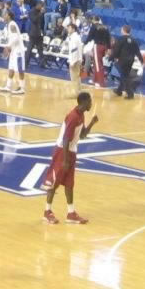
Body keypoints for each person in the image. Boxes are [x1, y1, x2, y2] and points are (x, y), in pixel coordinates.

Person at [43, 92, 98, 225]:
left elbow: (83, 135)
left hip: (71, 152)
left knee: (69, 183)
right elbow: (66, 139)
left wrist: (92, 123)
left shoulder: (81, 115)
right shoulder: (73, 117)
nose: (91, 104)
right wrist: (65, 160)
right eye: (90, 101)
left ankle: (71, 213)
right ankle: (47, 212)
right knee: (54, 182)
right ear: (84, 102)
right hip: (63, 151)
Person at [110, 23, 142, 99]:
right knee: (124, 75)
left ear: (123, 30)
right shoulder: (134, 40)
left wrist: (111, 57)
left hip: (123, 60)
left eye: (121, 29)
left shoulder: (121, 39)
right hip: (130, 61)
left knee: (125, 77)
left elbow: (117, 50)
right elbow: (137, 51)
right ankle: (119, 90)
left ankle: (130, 93)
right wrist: (141, 59)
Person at [0, 16, 27, 95]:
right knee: (11, 68)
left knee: (20, 69)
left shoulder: (12, 24)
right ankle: (8, 86)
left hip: (18, 51)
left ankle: (21, 88)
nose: (3, 16)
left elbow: (16, 38)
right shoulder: (9, 25)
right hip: (13, 51)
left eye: (5, 14)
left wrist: (8, 46)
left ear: (8, 16)